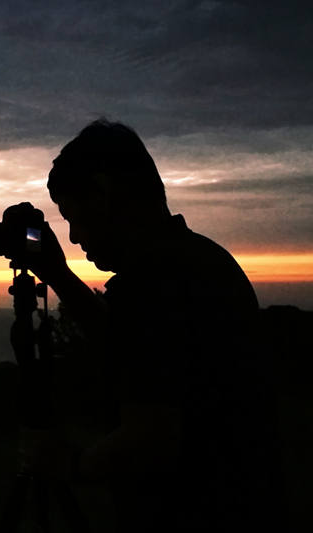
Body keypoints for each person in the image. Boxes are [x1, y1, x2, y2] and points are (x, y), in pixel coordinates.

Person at [17, 119, 286, 532]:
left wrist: (70, 464)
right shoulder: (203, 260)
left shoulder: (152, 283)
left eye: (74, 215)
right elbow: (131, 349)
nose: (72, 236)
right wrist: (59, 275)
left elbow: (152, 438)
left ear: (104, 194)